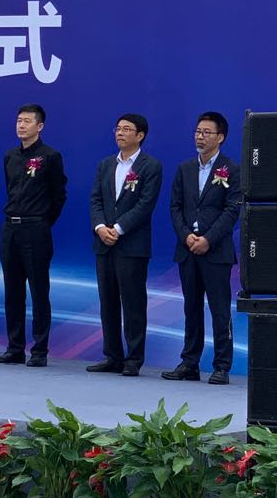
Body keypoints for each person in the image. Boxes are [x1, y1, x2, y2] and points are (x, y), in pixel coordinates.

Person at [162, 112, 242, 386]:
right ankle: (189, 363)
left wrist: (208, 239)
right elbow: (175, 207)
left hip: (216, 251)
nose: (200, 136)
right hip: (187, 249)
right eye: (198, 131)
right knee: (191, 308)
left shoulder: (231, 169)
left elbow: (232, 211)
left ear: (220, 137)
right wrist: (187, 236)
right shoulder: (184, 168)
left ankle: (222, 366)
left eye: (207, 132)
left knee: (220, 310)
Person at [0, 104, 67, 368]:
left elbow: (58, 196)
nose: (21, 125)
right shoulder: (10, 156)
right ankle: (14, 348)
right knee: (12, 291)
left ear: (40, 126)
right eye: (18, 120)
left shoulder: (50, 156)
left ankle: (39, 350)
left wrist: (42, 222)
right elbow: (10, 190)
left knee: (38, 290)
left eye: (27, 121)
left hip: (36, 229)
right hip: (10, 228)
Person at [87, 113, 162, 377]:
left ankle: (134, 358)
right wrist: (100, 227)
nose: (120, 133)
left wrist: (117, 229)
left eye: (126, 129)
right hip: (104, 244)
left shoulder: (150, 166)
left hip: (131, 245)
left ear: (140, 135)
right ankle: (112, 356)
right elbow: (96, 199)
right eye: (118, 128)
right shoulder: (106, 164)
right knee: (107, 302)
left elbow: (145, 205)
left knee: (133, 303)